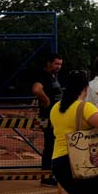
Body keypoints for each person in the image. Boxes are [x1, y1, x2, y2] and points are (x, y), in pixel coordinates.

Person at [32, 53, 63, 186]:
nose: (59, 67)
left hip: (55, 117)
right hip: (48, 117)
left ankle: (51, 175)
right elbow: (36, 89)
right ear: (49, 63)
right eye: (56, 64)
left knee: (53, 145)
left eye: (60, 64)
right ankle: (46, 176)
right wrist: (46, 101)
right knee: (50, 146)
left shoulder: (53, 76)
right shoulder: (43, 76)